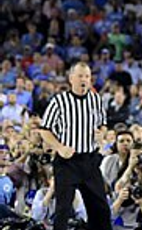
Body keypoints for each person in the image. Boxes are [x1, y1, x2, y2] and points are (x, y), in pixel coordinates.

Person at [37, 62, 113, 230]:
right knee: (63, 209)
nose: (84, 80)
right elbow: (44, 130)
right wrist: (59, 147)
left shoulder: (96, 99)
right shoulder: (59, 101)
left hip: (90, 160)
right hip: (67, 162)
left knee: (101, 208)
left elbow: (103, 124)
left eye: (87, 76)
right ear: (71, 78)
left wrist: (102, 133)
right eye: (80, 76)